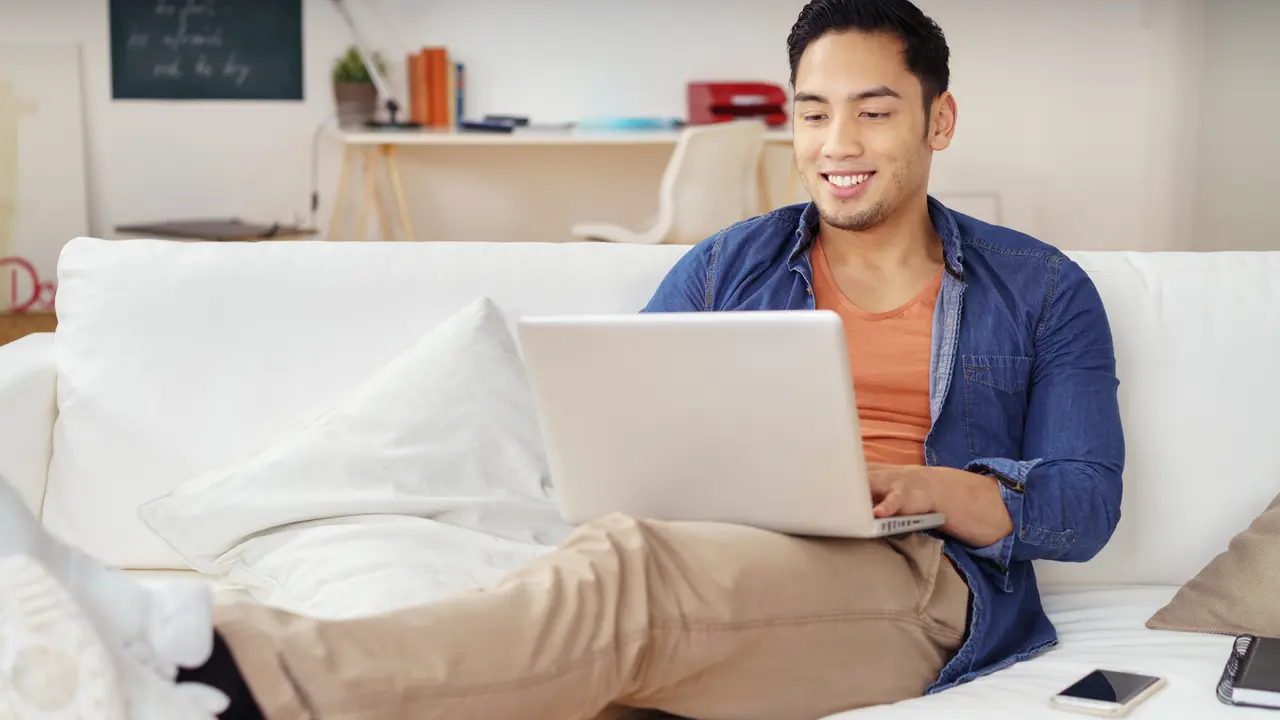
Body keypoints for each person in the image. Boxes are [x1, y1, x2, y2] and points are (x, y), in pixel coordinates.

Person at [0, 0, 1124, 718]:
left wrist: (927, 489)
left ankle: (220, 667)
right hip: (725, 553)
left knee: (628, 578)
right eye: (812, 111)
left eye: (873, 113)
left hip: (919, 584)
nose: (836, 145)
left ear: (937, 123)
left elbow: (1080, 508)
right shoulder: (731, 262)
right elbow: (628, 416)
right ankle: (182, 649)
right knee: (595, 609)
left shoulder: (1040, 290)